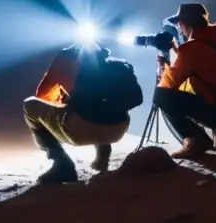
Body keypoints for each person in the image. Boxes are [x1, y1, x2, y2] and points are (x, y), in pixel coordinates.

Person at [23, 43, 143, 184]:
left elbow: (43, 94)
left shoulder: (70, 64)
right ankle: (102, 157)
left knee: (30, 105)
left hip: (81, 130)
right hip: (118, 130)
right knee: (99, 107)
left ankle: (61, 164)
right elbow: (137, 99)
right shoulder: (121, 66)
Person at [153, 3, 216, 160]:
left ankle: (196, 141)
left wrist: (164, 66)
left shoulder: (192, 49)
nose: (179, 28)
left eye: (179, 24)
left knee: (161, 96)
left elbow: (168, 85)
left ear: (183, 24)